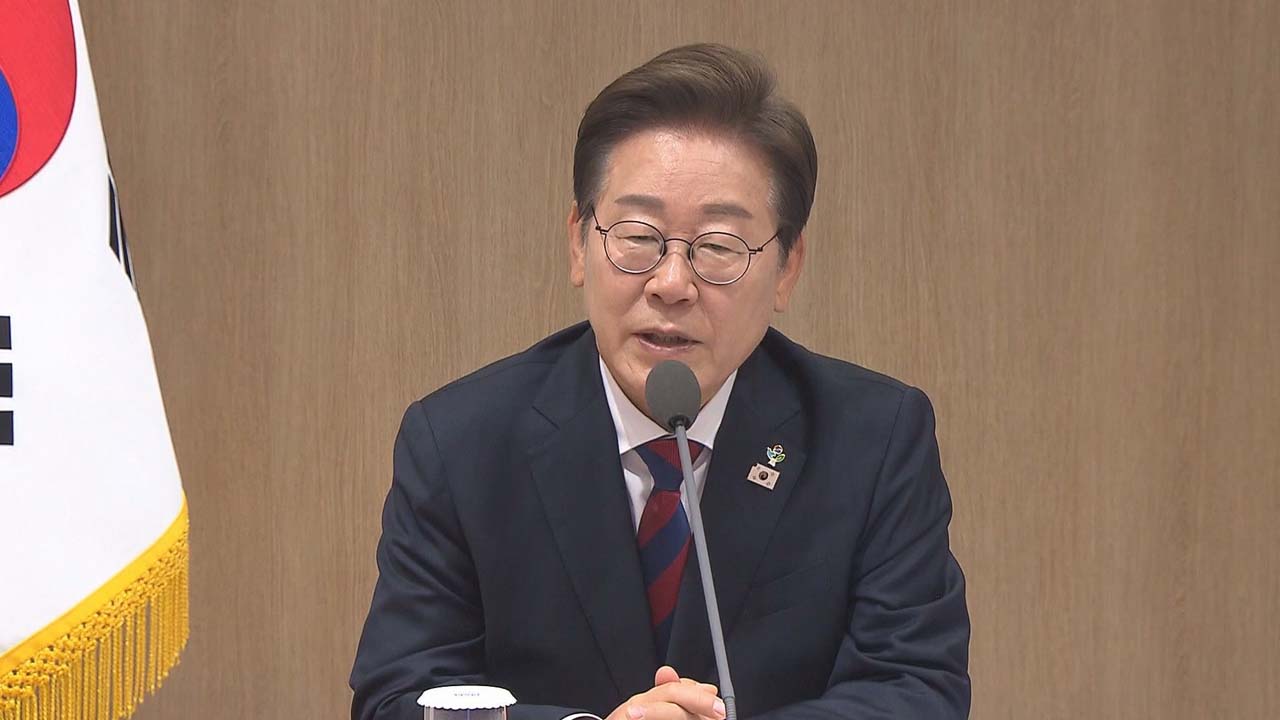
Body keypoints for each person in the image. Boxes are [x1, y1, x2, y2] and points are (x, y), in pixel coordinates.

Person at [350, 43, 969, 720]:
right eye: (638, 237)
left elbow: (915, 689)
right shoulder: (461, 443)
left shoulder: (872, 441)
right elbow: (400, 697)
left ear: (787, 267)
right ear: (579, 242)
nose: (671, 284)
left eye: (718, 247)